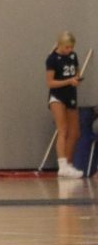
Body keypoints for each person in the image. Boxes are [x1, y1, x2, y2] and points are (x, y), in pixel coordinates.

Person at [47, 31, 85, 178]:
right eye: (67, 47)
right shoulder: (52, 59)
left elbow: (76, 71)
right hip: (57, 96)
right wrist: (68, 81)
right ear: (60, 45)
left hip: (71, 95)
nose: (70, 50)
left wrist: (76, 78)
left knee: (75, 132)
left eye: (72, 47)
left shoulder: (73, 56)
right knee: (62, 129)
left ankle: (68, 165)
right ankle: (62, 165)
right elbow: (50, 83)